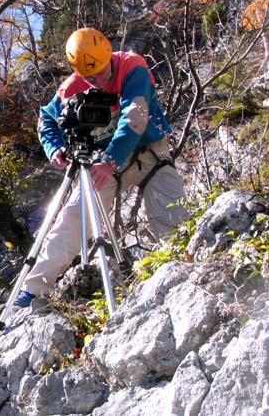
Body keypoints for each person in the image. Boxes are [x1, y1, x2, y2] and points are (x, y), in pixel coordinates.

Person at [14, 27, 189, 308]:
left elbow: (135, 117)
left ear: (108, 55)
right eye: (87, 77)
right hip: (103, 164)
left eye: (98, 73)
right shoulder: (72, 87)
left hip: (148, 153)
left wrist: (110, 159)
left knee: (173, 217)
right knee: (73, 216)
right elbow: (45, 119)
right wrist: (54, 147)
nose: (94, 81)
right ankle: (33, 289)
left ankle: (182, 274)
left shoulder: (133, 67)